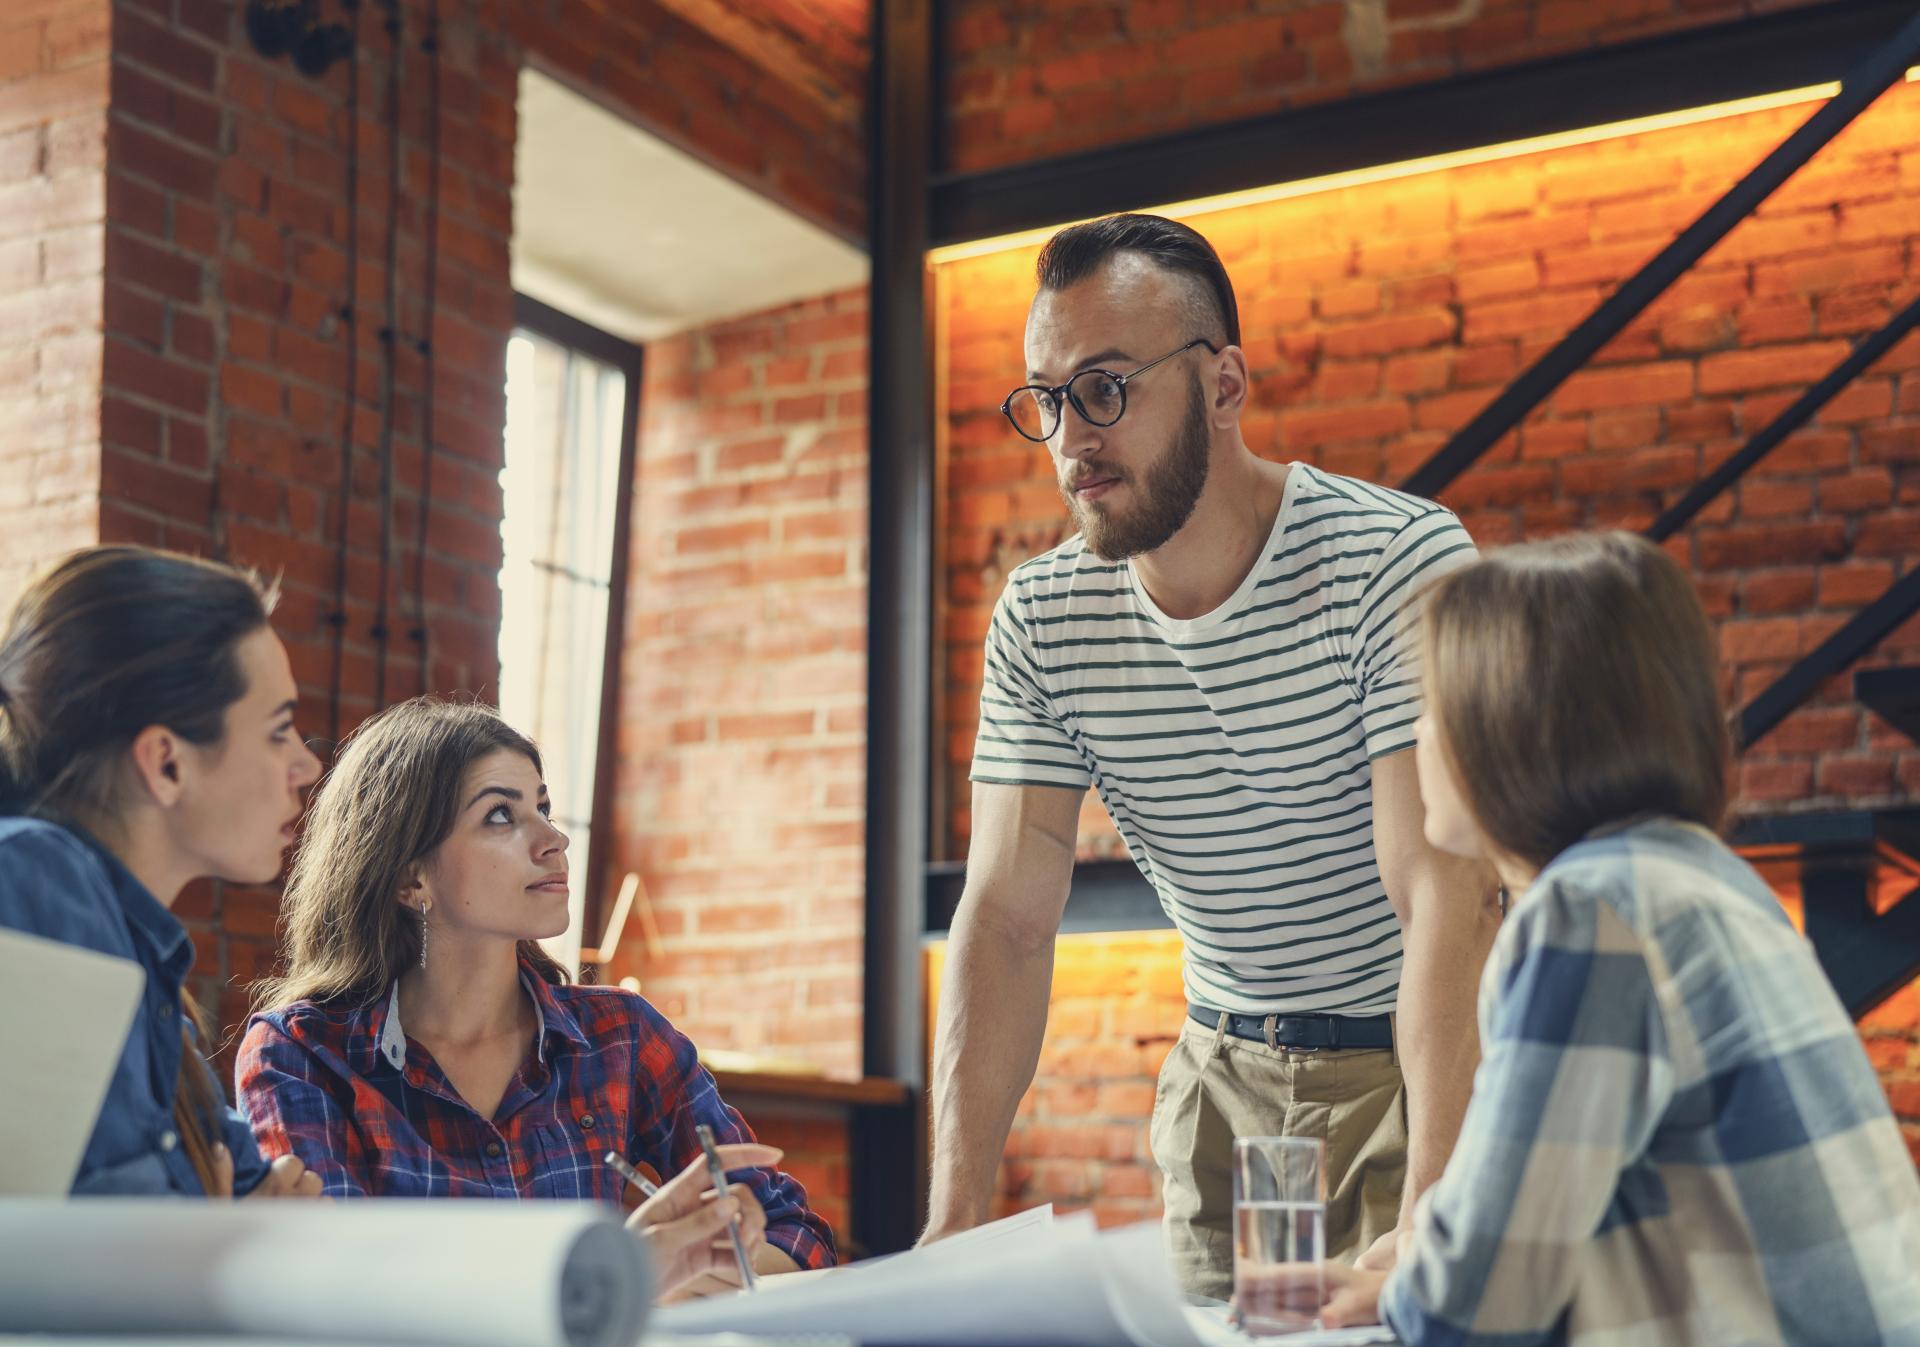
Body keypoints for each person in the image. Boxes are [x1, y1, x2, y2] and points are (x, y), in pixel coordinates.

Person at [925, 212, 1499, 1295]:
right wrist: (956, 1215)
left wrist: (1435, 1197)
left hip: (1416, 1070)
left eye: (1104, 389)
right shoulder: (1044, 617)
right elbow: (1004, 915)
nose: (1071, 438)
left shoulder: (1396, 560)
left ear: (1225, 385)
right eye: (1046, 400)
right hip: (1233, 1087)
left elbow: (1446, 892)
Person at [1310, 532, 1920, 1344]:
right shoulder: (1703, 878)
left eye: (1432, 702)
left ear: (1511, 724)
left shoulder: (1591, 913)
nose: (1415, 733)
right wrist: (1417, 1276)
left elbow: (1476, 1308)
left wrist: (1412, 1283)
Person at [236, 697, 836, 1298]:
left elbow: (797, 1239)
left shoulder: (622, 1037)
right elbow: (333, 1297)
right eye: (501, 815)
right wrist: (613, 1283)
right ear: (409, 877)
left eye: (543, 806)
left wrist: (676, 1278)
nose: (553, 839)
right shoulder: (303, 1054)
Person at [0, 545, 325, 1198]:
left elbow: (268, 1196)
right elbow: (92, 1263)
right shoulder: (35, 879)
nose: (308, 767)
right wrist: (212, 1237)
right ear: (167, 763)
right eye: (278, 730)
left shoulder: (141, 960)